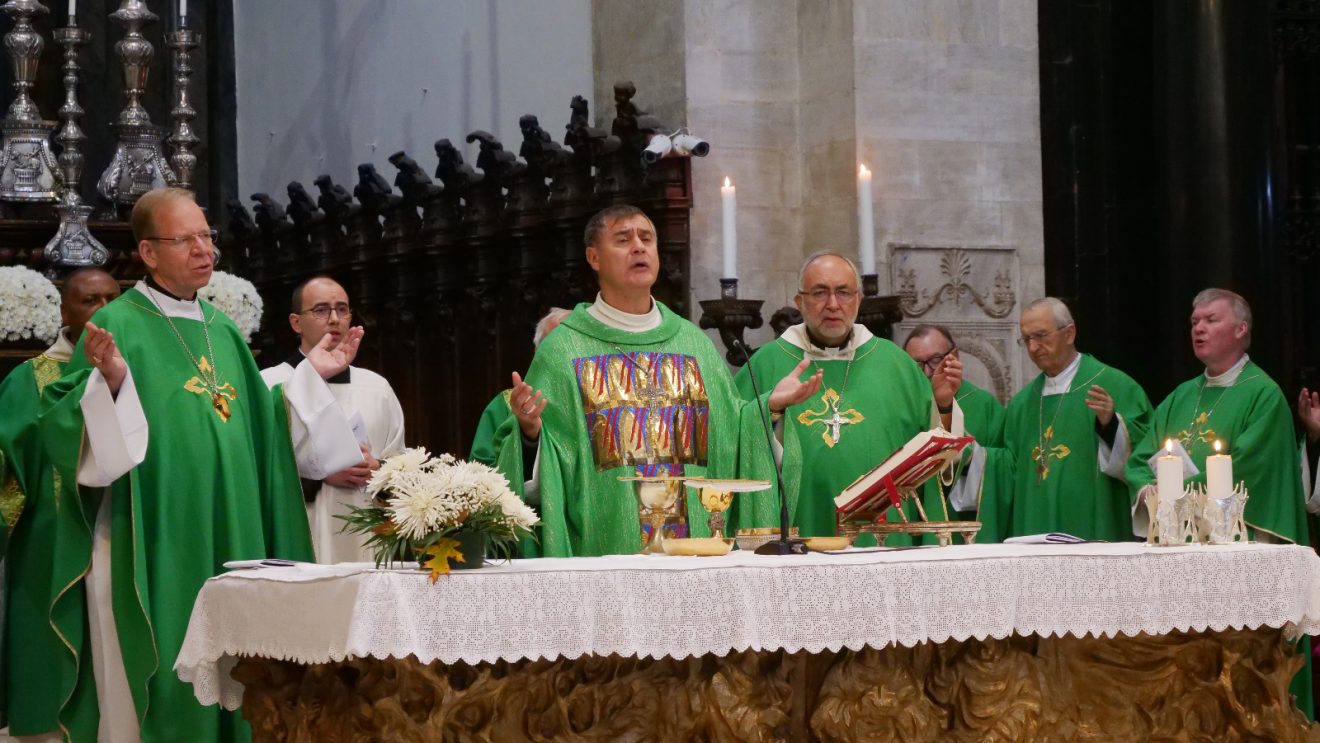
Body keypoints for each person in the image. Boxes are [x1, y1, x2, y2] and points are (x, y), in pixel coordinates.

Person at [6, 188, 365, 743]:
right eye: (187, 240)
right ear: (149, 253)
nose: (205, 251)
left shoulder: (221, 328)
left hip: (232, 535)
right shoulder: (118, 326)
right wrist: (114, 382)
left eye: (207, 237)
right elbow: (66, 431)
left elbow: (262, 428)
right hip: (153, 538)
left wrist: (305, 379)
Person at [492, 205, 821, 557]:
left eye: (646, 238)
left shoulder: (693, 344)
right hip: (607, 556)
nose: (638, 247)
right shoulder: (562, 351)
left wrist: (767, 409)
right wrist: (530, 434)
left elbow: (732, 437)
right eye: (623, 239)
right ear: (594, 257)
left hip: (695, 556)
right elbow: (545, 474)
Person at [733, 253, 957, 544]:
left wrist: (943, 405)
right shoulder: (766, 364)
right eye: (820, 293)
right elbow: (732, 443)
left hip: (883, 539)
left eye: (843, 292)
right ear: (799, 302)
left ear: (858, 300)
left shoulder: (897, 366)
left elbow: (931, 461)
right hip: (796, 533)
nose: (833, 304)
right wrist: (769, 408)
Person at [0, 269, 119, 728]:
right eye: (91, 300)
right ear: (65, 311)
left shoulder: (140, 371)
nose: (104, 310)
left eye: (113, 298)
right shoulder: (28, 379)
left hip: (126, 524)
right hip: (52, 538)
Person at [1130, 290, 1306, 543]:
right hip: (1174, 534)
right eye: (1194, 322)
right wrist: (1150, 490)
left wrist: (1175, 492)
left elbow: (1251, 467)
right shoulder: (1181, 395)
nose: (1198, 329)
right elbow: (1140, 460)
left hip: (1235, 536)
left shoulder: (1264, 394)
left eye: (1211, 320)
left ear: (1240, 329)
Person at [261, 275, 406, 564]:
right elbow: (260, 465)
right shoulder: (270, 384)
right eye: (321, 310)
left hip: (369, 534)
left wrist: (377, 468)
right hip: (305, 527)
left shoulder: (376, 387)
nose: (335, 319)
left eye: (342, 309)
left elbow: (402, 462)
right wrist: (319, 475)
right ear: (295, 323)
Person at [987, 297, 1151, 542]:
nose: (1033, 347)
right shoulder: (1021, 404)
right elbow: (1007, 468)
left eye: (1041, 336)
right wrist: (971, 458)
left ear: (1069, 333)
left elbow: (1147, 455)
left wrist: (1111, 426)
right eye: (1027, 339)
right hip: (1035, 528)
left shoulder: (1115, 386)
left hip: (1093, 528)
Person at [903, 324, 1008, 533]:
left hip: (965, 531)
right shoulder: (902, 407)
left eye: (934, 361)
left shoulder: (984, 405)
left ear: (955, 356)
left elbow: (1007, 469)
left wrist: (969, 456)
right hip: (911, 527)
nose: (926, 372)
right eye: (915, 365)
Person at [469, 307, 570, 467]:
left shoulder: (599, 406)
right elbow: (482, 475)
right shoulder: (504, 406)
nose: (566, 357)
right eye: (557, 349)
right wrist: (528, 436)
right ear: (537, 353)